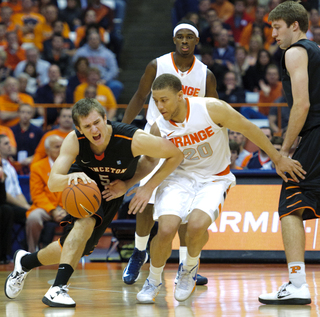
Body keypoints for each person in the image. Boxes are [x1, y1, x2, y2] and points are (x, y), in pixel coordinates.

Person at [107, 73, 304, 303]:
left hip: (214, 178)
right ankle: (154, 279)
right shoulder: (158, 127)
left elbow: (248, 128)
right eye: (156, 101)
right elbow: (149, 161)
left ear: (180, 95)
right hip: (178, 178)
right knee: (167, 229)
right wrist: (128, 184)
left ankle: (189, 268)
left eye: (164, 100)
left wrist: (277, 158)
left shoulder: (211, 109)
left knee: (197, 226)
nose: (159, 106)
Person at [4, 97, 184, 307]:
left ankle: (25, 262)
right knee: (85, 224)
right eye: (87, 126)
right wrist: (71, 178)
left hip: (112, 192)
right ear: (79, 129)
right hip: (83, 186)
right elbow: (53, 182)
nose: (94, 129)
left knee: (76, 246)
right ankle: (58, 289)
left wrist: (136, 186)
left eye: (97, 122)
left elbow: (174, 155)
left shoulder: (132, 139)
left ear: (105, 118)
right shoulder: (74, 140)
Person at [121, 20, 218, 286]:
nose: (184, 41)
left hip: (187, 145)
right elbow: (139, 97)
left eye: (189, 38)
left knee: (187, 208)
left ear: (196, 41)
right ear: (174, 40)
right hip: (155, 140)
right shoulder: (157, 65)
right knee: (146, 203)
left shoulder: (205, 74)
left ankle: (187, 266)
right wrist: (123, 131)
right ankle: (139, 253)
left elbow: (214, 110)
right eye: (180, 37)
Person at [258, 1, 320, 305]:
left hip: (316, 135)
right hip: (314, 135)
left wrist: (282, 151)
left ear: (295, 25)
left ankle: (297, 284)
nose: (273, 35)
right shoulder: (317, 51)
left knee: (290, 205)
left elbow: (302, 104)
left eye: (277, 27)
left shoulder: (295, 52)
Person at [26, 135, 66, 253]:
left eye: (62, 146)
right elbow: (37, 194)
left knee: (82, 216)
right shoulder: (37, 167)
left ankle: (73, 254)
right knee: (33, 218)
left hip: (67, 207)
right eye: (56, 147)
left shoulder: (73, 165)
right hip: (46, 208)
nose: (60, 149)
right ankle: (32, 252)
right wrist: (53, 210)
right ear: (47, 150)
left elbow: (76, 190)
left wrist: (66, 210)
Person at [72, 31, 123, 101]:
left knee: (117, 85)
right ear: (88, 40)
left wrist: (105, 80)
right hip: (85, 80)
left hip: (104, 80)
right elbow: (74, 66)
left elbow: (114, 70)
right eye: (91, 39)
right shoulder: (80, 52)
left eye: (96, 39)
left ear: (100, 40)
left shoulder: (108, 54)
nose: (94, 41)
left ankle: (109, 107)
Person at [10, 103, 43, 174]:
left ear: (32, 115)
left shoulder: (38, 131)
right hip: (14, 165)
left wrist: (32, 159)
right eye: (23, 112)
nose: (25, 115)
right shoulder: (11, 130)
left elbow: (42, 150)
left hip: (32, 165)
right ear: (18, 113)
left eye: (28, 112)